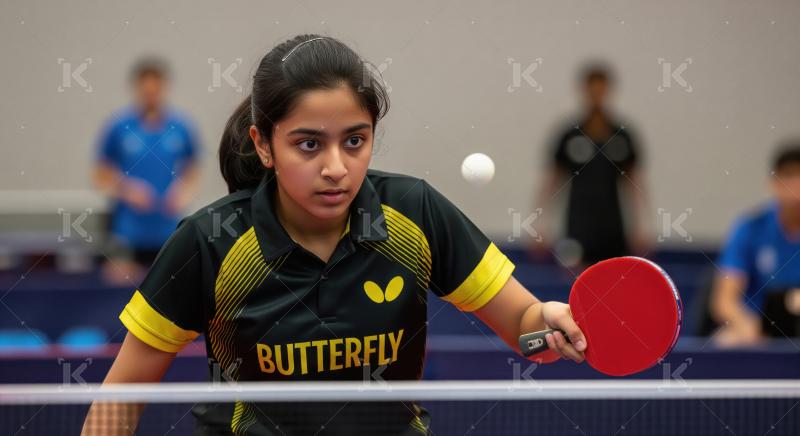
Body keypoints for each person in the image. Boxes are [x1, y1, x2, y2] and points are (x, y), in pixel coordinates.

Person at [82, 35, 587, 435]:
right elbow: (121, 395)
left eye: (354, 141)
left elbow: (523, 324)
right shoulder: (211, 240)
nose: (336, 168)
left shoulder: (414, 213)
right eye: (308, 144)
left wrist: (551, 321)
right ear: (263, 143)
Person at [92, 56, 201, 285]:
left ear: (164, 88)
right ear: (137, 89)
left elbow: (193, 166)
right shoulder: (120, 126)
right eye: (146, 90)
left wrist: (183, 190)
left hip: (168, 230)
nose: (151, 94)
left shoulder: (180, 126)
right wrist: (127, 190)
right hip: (128, 233)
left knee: (167, 291)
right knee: (125, 295)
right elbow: (100, 174)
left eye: (156, 89)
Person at [533, 64, 649, 267]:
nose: (597, 96)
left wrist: (641, 227)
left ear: (608, 91)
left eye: (601, 90)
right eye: (592, 90)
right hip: (577, 226)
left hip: (614, 227)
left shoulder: (622, 136)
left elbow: (634, 182)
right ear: (584, 91)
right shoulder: (569, 135)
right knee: (576, 282)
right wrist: (540, 224)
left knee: (613, 281)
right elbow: (552, 181)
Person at [711, 144, 800, 346]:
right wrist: (746, 326)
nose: (796, 185)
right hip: (759, 330)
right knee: (726, 341)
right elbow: (724, 301)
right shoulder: (750, 228)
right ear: (774, 183)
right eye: (789, 176)